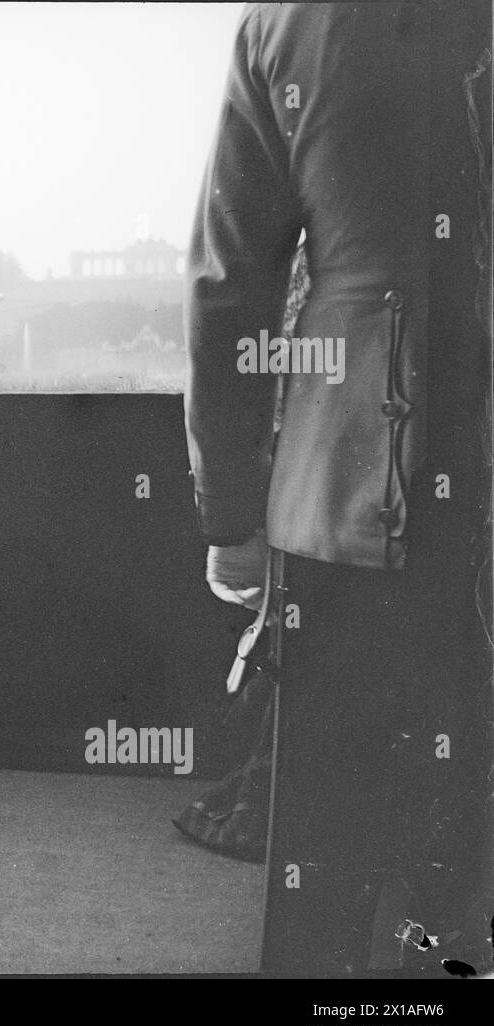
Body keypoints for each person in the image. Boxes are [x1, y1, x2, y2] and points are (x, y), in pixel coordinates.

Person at [185, 3, 492, 974]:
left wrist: (232, 513)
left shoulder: (286, 23)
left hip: (345, 500)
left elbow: (228, 288)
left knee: (323, 875)